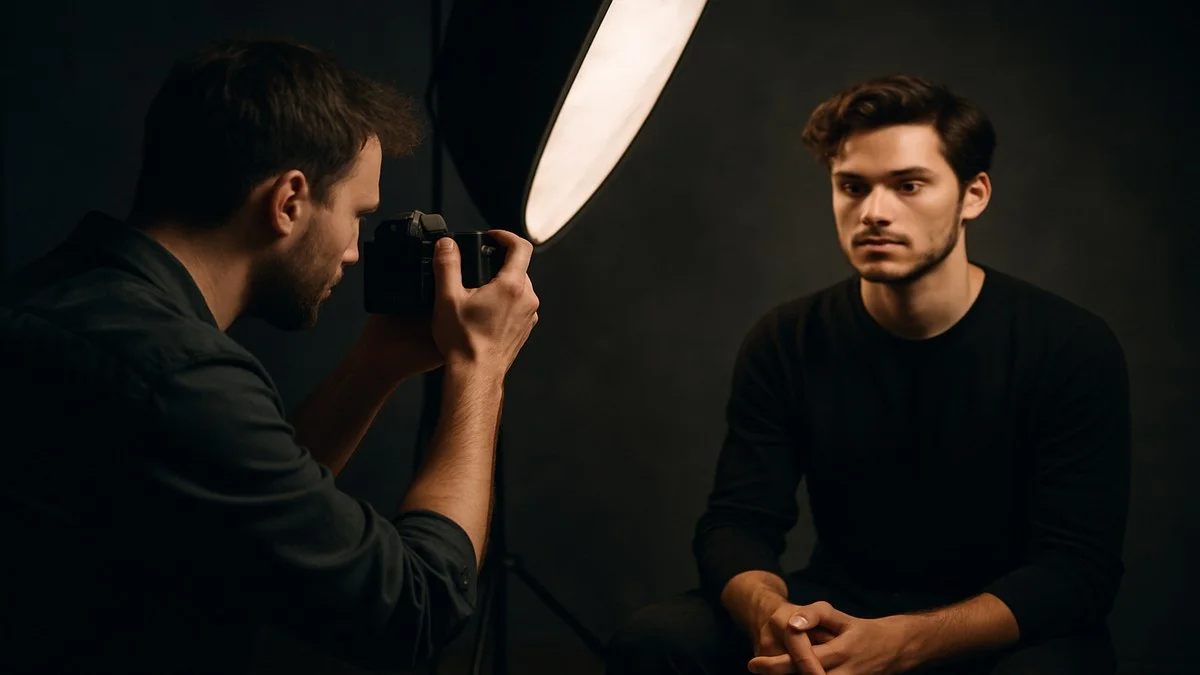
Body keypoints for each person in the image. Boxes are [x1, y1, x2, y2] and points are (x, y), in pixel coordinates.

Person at [0, 39, 539, 674]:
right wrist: (479, 370)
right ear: (289, 201)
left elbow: (245, 506)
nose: (354, 252)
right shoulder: (178, 376)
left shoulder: (63, 299)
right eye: (357, 217)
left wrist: (377, 364)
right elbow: (416, 609)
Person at [607, 74, 1130, 675]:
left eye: (909, 185)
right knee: (658, 641)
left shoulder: (1067, 345)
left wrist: (905, 641)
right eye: (852, 187)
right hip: (839, 606)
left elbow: (1076, 570)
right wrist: (773, 616)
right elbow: (738, 522)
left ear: (974, 194)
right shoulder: (788, 339)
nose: (875, 212)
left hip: (1000, 626)